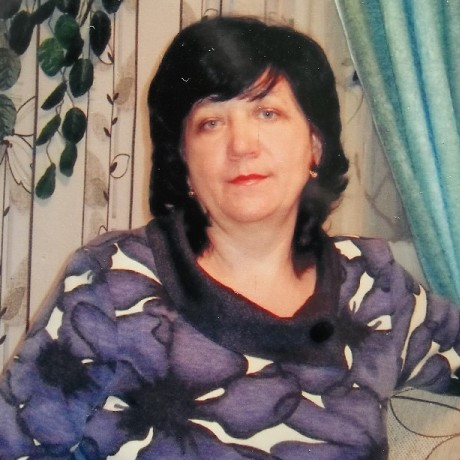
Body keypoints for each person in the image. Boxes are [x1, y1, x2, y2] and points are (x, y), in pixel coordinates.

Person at [1, 15, 459, 460]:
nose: (242, 145)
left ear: (315, 146)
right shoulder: (109, 282)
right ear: (184, 160)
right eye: (211, 123)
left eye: (267, 112)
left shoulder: (373, 285)